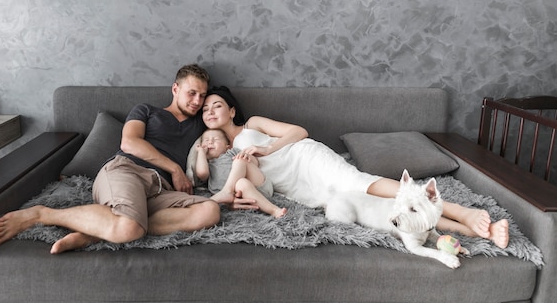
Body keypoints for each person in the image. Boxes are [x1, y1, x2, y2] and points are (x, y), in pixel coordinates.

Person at [200, 86, 510, 249]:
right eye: (205, 108)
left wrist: (266, 147)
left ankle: (463, 211)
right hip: (296, 188)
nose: (211, 111)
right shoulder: (215, 148)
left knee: (363, 183)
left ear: (231, 110)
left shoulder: (251, 125)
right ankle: (478, 231)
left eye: (217, 105)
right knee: (385, 211)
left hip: (304, 159)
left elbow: (298, 132)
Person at [0, 64, 220, 254]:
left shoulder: (202, 121)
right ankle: (43, 214)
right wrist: (174, 168)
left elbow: (237, 126)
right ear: (175, 89)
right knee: (130, 228)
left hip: (161, 189)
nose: (198, 102)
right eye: (192, 93)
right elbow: (129, 143)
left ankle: (95, 231)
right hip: (126, 171)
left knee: (210, 211)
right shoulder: (146, 111)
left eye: (202, 96)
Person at [194, 128, 287, 218]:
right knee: (241, 183)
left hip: (258, 184)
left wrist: (247, 156)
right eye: (206, 140)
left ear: (227, 146)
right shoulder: (206, 164)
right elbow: (202, 173)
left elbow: (255, 163)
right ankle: (275, 211)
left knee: (239, 160)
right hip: (241, 195)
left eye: (216, 139)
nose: (210, 142)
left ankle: (227, 191)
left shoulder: (232, 152)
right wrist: (201, 152)